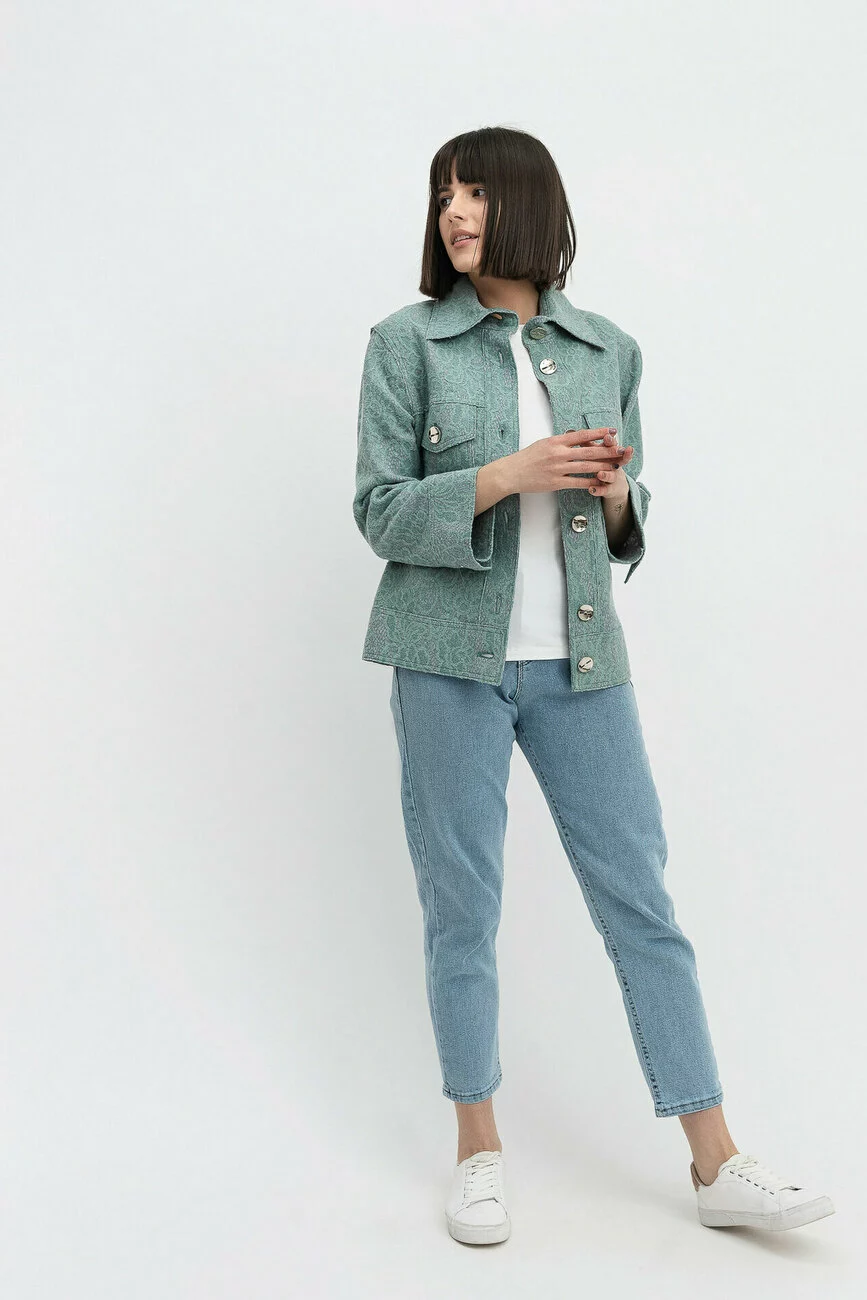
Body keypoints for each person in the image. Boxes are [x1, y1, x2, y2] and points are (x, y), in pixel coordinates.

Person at [352, 126, 835, 1245]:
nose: (454, 212)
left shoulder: (608, 347)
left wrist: (615, 497)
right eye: (443, 194)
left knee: (642, 903)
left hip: (582, 665)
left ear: (527, 204)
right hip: (446, 663)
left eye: (476, 192)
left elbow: (624, 521)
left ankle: (715, 1160)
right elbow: (378, 510)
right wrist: (504, 474)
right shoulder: (404, 343)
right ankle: (478, 1152)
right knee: (462, 909)